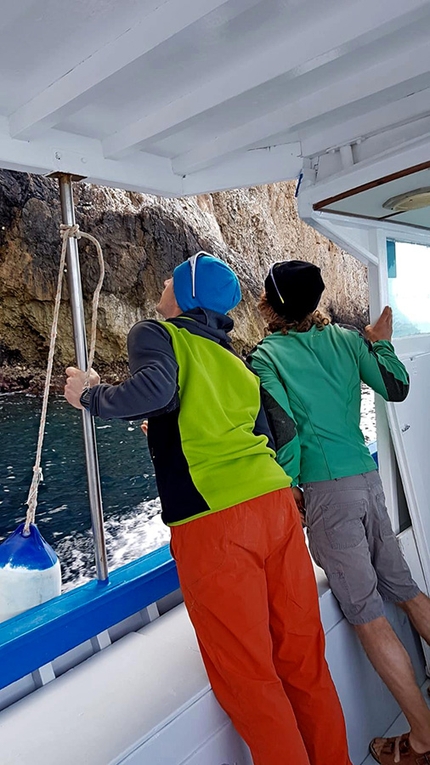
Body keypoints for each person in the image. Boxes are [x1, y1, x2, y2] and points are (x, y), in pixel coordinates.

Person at [64, 252, 352, 765]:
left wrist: (90, 394)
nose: (163, 284)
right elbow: (268, 433)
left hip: (218, 523)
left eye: (171, 279)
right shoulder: (235, 362)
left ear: (185, 297)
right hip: (276, 508)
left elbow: (155, 388)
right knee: (304, 661)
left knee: (250, 679)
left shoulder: (158, 332)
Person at [248, 259, 430, 765]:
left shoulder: (265, 357)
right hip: (368, 484)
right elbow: (396, 387)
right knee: (408, 591)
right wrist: (380, 341)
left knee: (369, 616)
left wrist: (287, 487)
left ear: (270, 304)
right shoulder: (352, 341)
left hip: (329, 496)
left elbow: (280, 433)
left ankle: (422, 740)